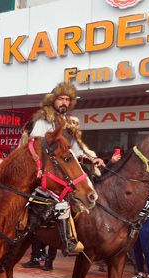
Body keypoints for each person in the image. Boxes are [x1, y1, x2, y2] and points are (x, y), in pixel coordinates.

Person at [25, 81, 104, 256]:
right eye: (61, 98)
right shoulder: (42, 121)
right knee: (61, 201)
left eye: (67, 100)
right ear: (53, 100)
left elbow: (75, 152)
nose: (64, 103)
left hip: (61, 172)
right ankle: (67, 240)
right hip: (42, 173)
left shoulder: (69, 125)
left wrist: (91, 159)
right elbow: (34, 149)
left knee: (85, 189)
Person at [127, 185, 149, 278]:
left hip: (147, 221)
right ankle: (140, 273)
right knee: (136, 248)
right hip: (136, 220)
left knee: (146, 249)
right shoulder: (141, 188)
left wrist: (142, 204)